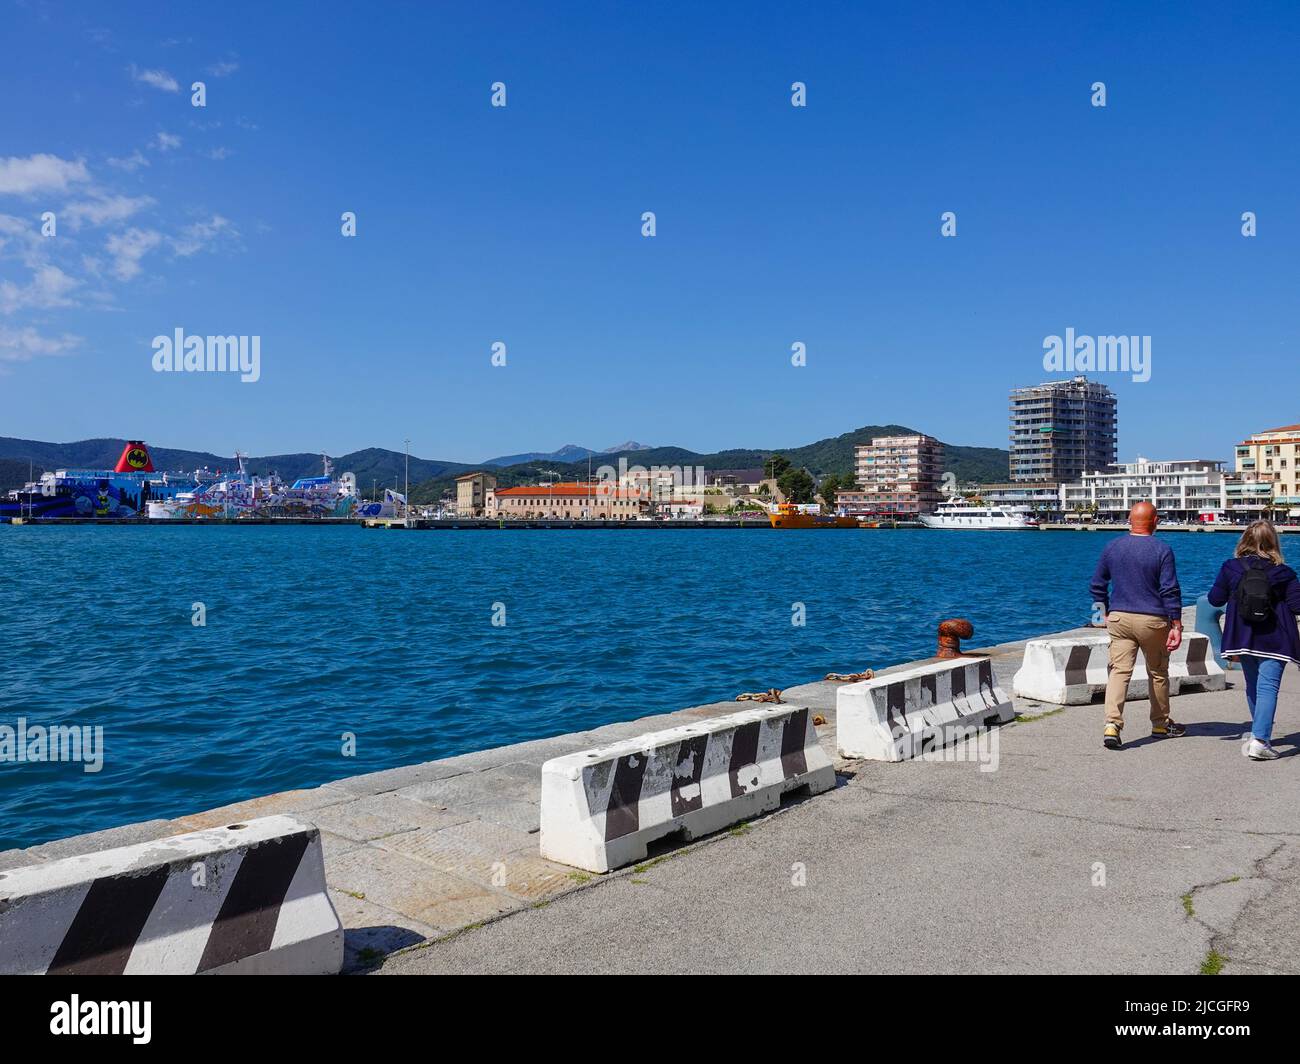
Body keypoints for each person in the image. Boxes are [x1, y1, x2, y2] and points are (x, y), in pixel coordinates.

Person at [1089, 501, 1185, 749]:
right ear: (1155, 522)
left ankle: (1112, 724)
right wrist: (1176, 623)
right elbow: (1169, 589)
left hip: (1119, 618)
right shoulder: (1162, 549)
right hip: (1152, 621)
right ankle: (1161, 723)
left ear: (1130, 521)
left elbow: (1097, 585)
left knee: (1119, 672)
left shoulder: (1112, 547)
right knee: (1157, 672)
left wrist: (1102, 613)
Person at [1206, 520, 1300, 761]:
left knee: (1253, 684)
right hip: (1275, 639)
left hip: (1242, 636)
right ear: (1273, 543)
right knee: (1268, 687)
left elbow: (1215, 599)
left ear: (1244, 540)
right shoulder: (1284, 572)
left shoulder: (1231, 568)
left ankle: (1259, 734)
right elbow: (1297, 606)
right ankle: (1260, 739)